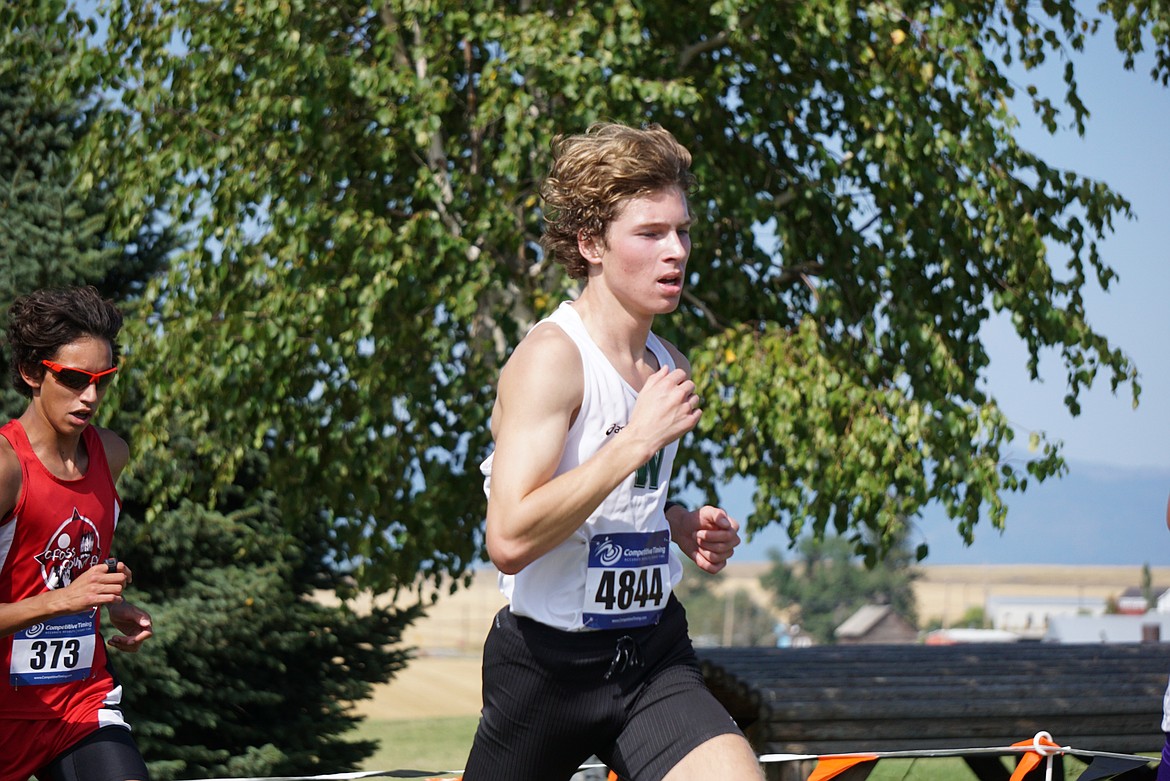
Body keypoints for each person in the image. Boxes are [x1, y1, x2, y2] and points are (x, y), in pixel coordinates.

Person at [461, 123, 764, 781]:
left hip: (650, 656)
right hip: (546, 669)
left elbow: (621, 494)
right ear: (591, 243)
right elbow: (509, 537)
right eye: (651, 234)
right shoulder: (550, 361)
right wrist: (635, 441)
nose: (675, 251)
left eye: (682, 231)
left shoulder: (667, 365)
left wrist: (676, 524)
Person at [0, 286, 153, 781]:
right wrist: (62, 601)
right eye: (73, 379)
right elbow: (55, 593)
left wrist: (109, 599)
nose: (90, 397)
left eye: (103, 381)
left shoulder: (111, 454)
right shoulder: (5, 469)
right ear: (32, 373)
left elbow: (58, 558)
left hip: (77, 706)